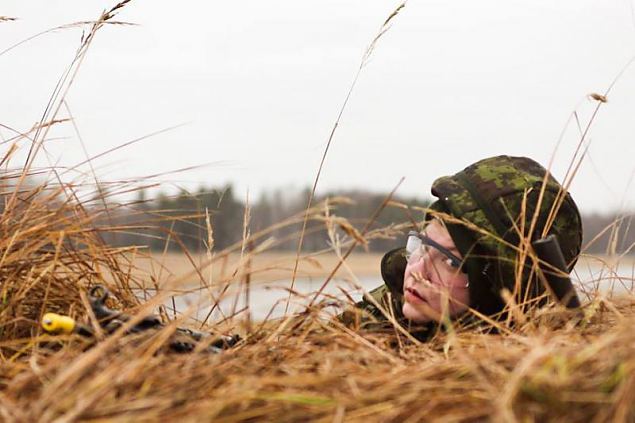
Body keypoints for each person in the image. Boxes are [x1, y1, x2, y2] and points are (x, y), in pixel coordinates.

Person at [341, 155, 583, 338]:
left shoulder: (528, 365)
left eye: (450, 261)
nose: (417, 270)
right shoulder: (377, 316)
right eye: (423, 245)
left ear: (497, 292)